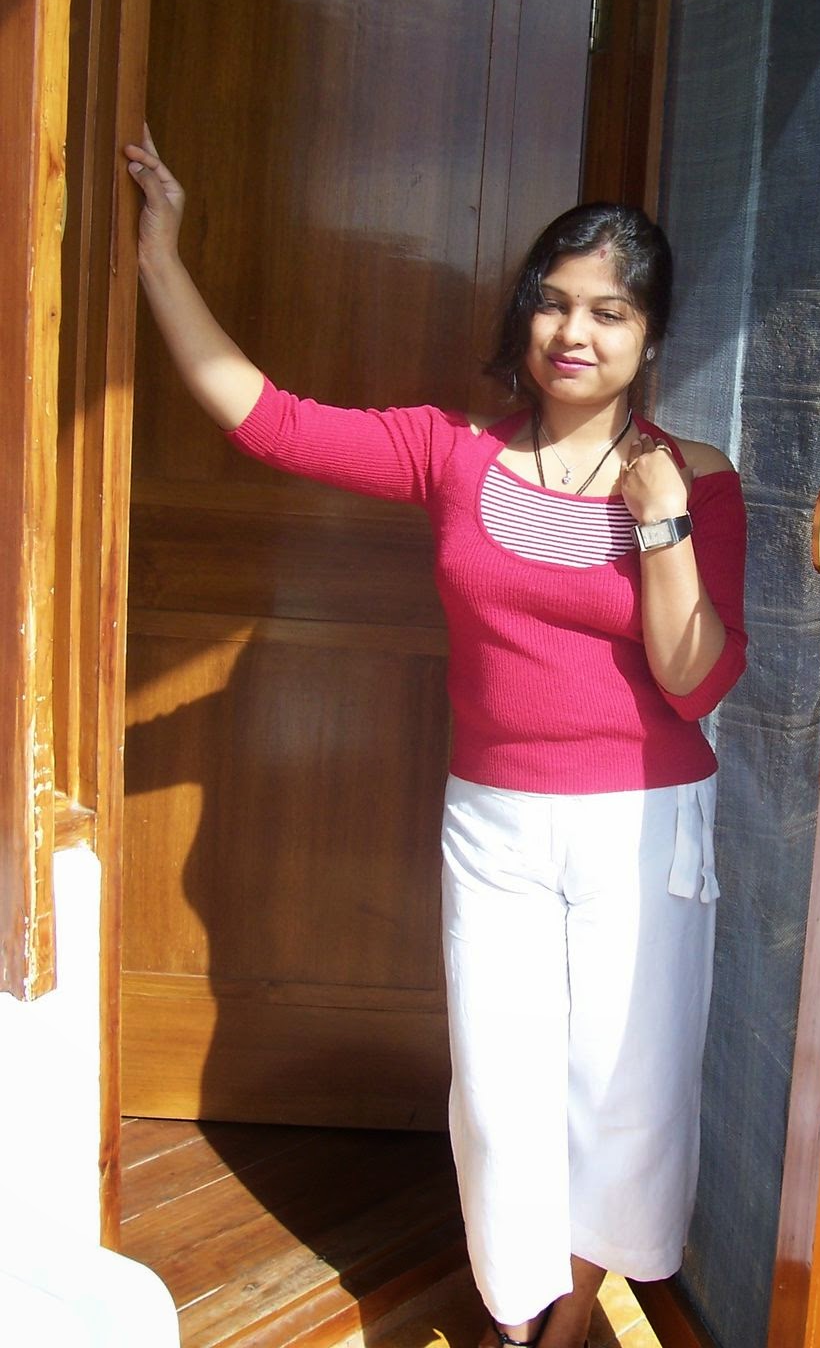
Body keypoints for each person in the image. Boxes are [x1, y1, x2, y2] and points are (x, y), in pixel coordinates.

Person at [124, 130, 748, 1348]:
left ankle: (569, 1325)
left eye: (610, 311)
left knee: (626, 1094)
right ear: (524, 315)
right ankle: (516, 1314)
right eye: (554, 303)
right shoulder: (454, 455)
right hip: (496, 822)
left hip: (643, 824)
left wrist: (663, 522)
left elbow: (693, 680)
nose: (575, 332)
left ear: (651, 335)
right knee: (503, 1099)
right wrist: (161, 254)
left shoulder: (697, 477)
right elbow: (268, 420)